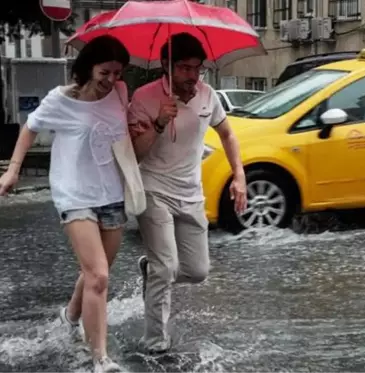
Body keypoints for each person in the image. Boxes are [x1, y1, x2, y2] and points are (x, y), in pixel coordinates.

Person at [0, 35, 131, 373]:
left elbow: (118, 132)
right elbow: (30, 128)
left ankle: (70, 316)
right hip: (74, 195)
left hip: (112, 194)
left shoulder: (120, 93)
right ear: (88, 67)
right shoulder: (61, 99)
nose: (111, 81)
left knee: (94, 272)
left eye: (117, 73)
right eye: (105, 72)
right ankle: (100, 358)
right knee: (99, 276)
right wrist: (13, 170)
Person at [128, 32, 247, 354]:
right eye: (184, 68)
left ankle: (150, 270)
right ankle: (156, 345)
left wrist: (239, 175)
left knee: (196, 272)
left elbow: (228, 134)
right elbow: (134, 154)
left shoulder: (208, 96)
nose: (192, 76)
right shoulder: (144, 97)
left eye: (197, 68)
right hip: (153, 190)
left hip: (191, 194)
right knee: (166, 268)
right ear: (167, 68)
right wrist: (158, 123)